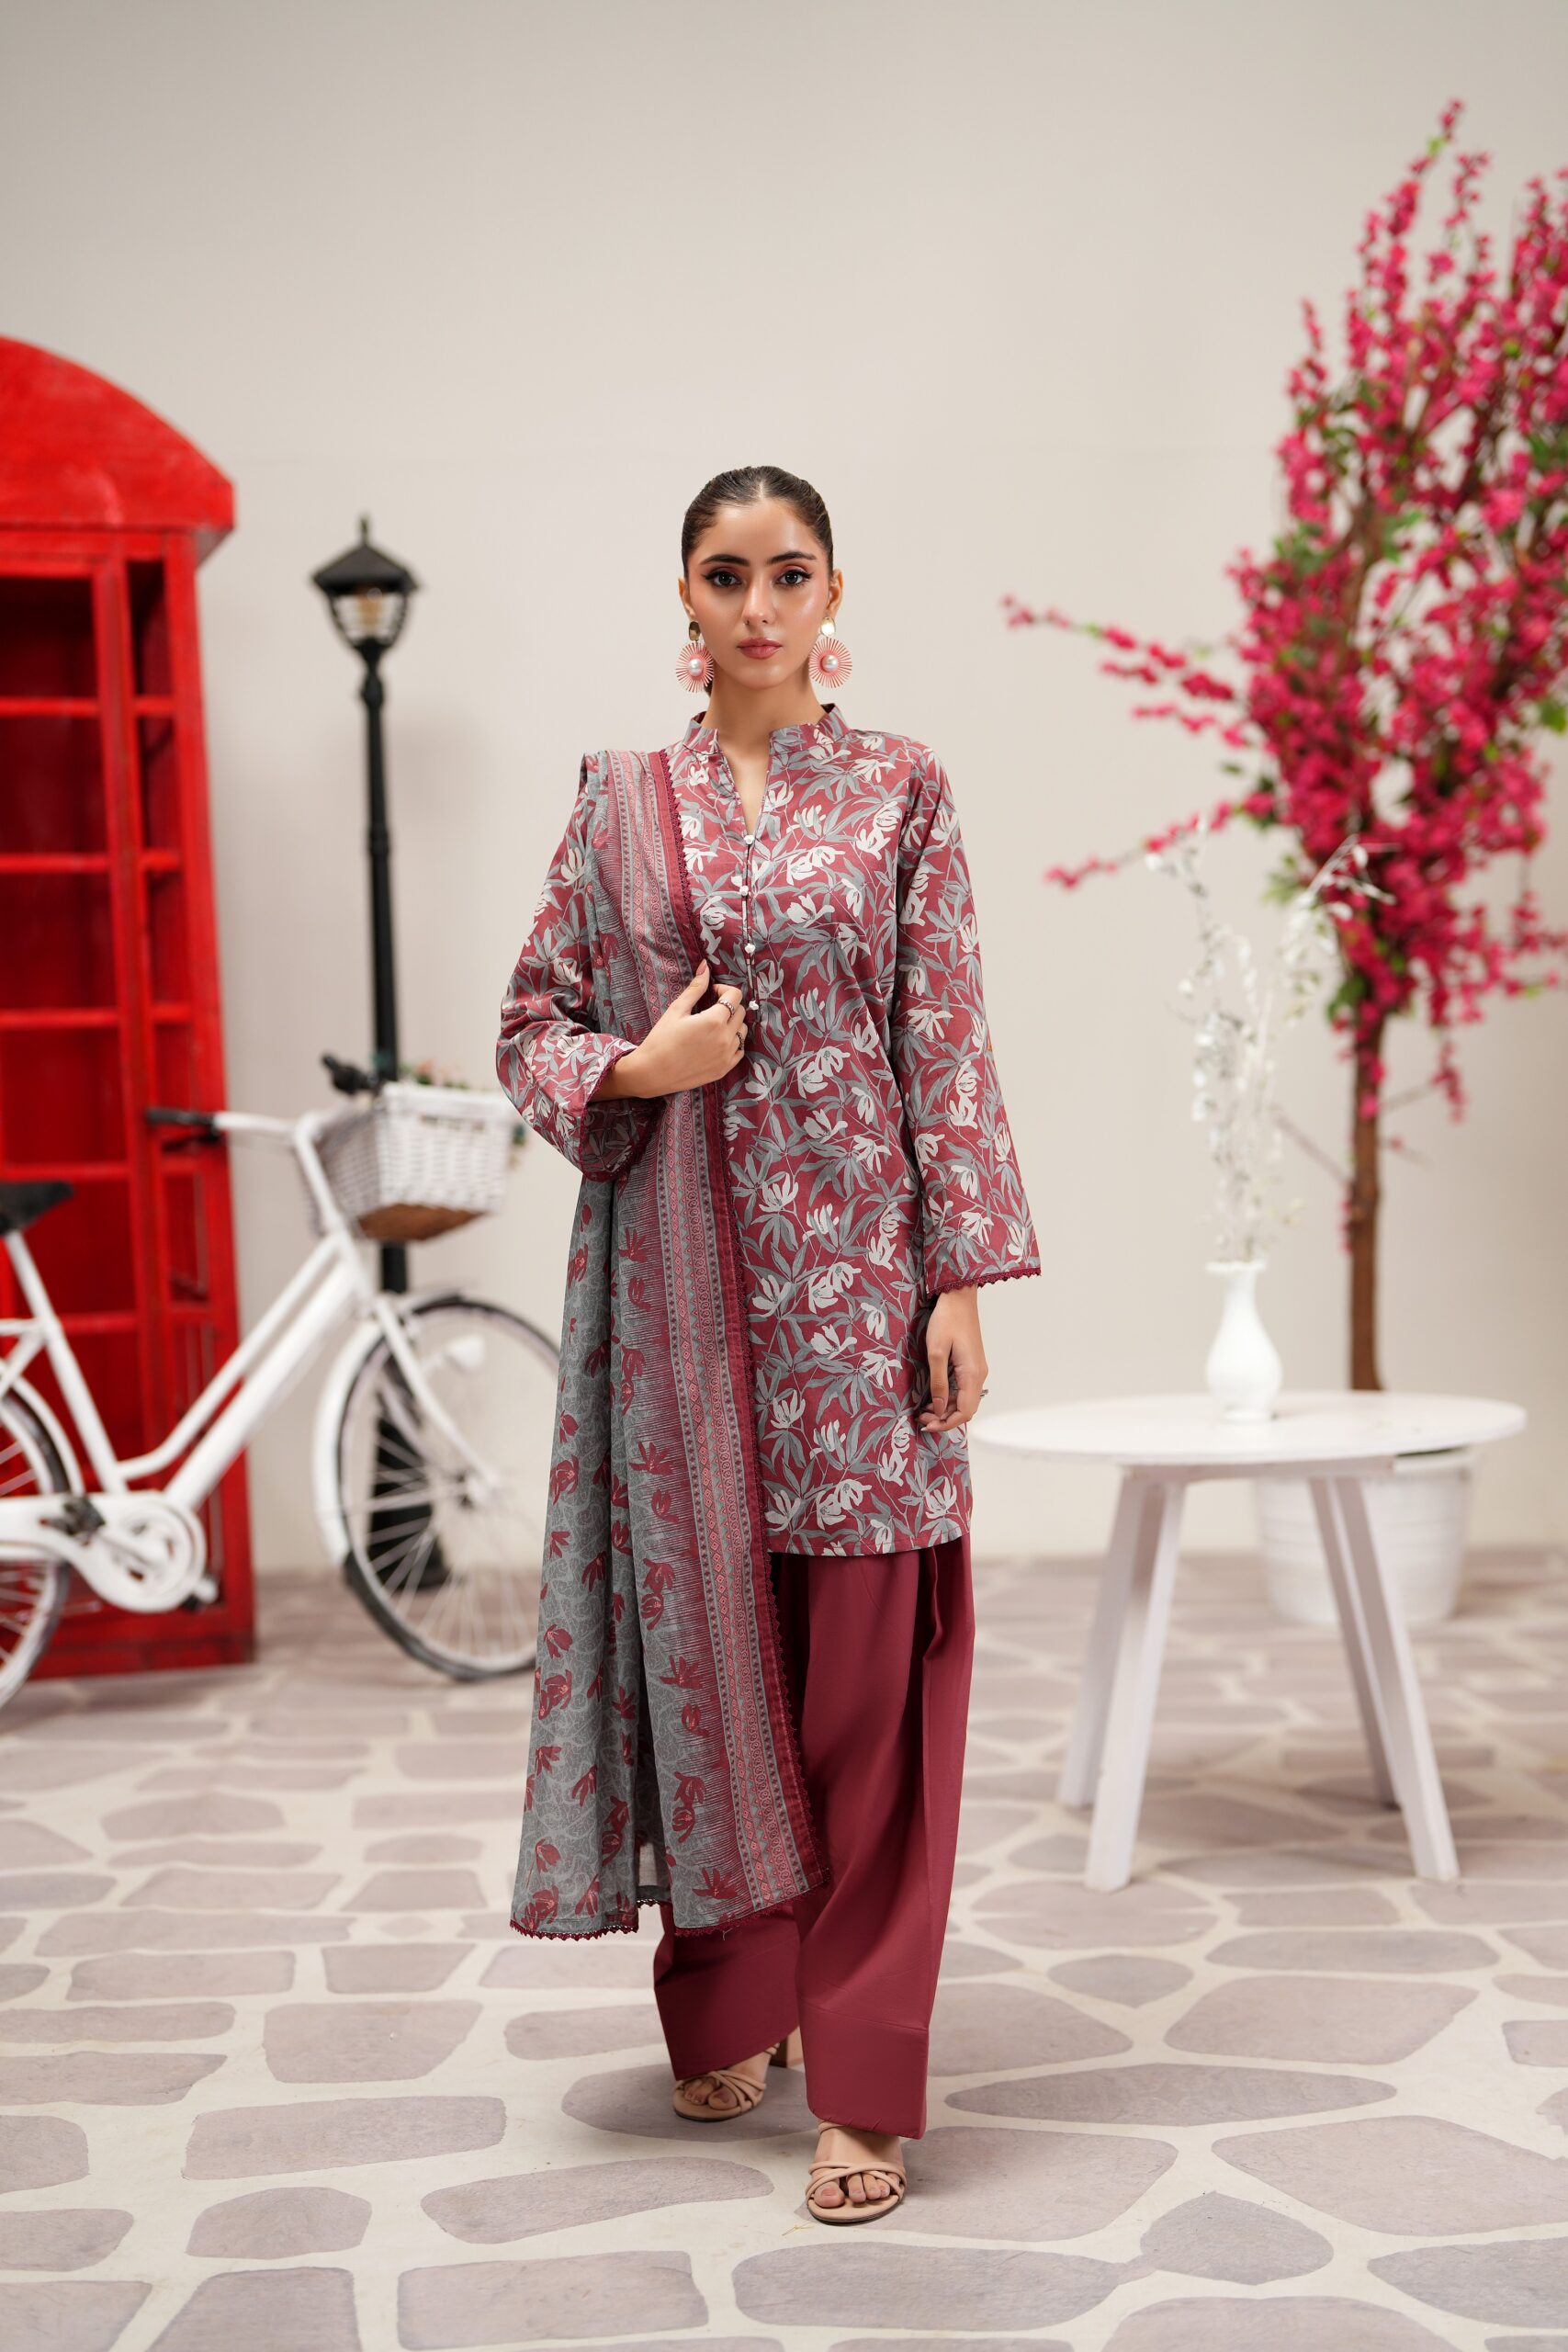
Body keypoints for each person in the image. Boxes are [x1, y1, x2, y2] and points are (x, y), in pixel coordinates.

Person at [496, 464, 1039, 2225]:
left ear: (830, 594)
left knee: (870, 1703)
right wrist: (638, 1068)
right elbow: (528, 1024)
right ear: (685, 594)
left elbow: (944, 1036)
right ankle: (736, 2000)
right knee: (714, 1669)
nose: (757, 607)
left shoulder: (900, 789)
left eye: (787, 574)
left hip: (860, 1299)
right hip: (682, 1319)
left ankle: (862, 2078)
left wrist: (960, 1279)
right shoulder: (620, 804)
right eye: (726, 575)